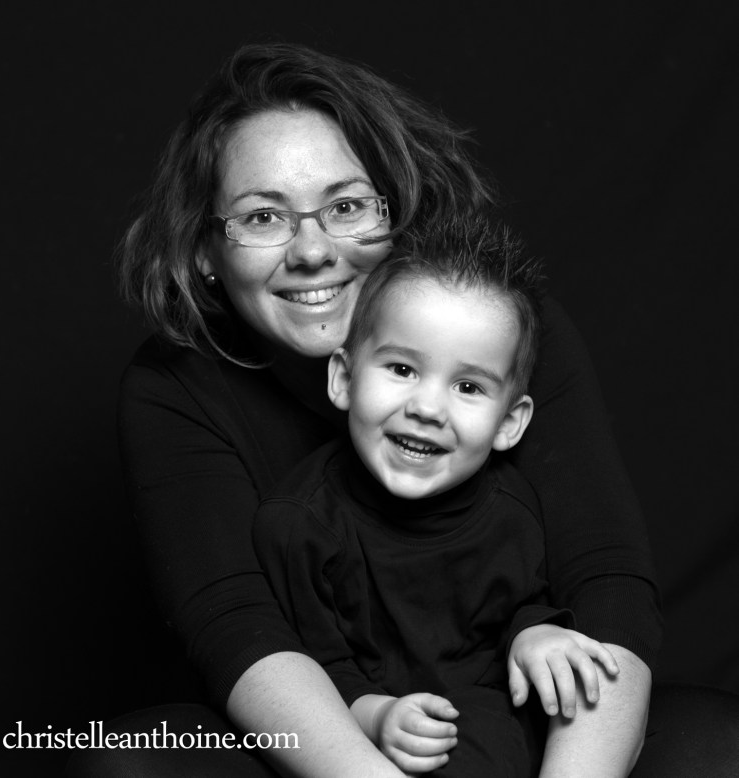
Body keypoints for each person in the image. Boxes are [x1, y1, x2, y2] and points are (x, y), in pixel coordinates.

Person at [66, 41, 739, 778]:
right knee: (131, 759)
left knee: (715, 742)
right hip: (319, 742)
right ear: (204, 250)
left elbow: (606, 578)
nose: (313, 251)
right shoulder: (177, 385)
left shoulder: (504, 329)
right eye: (263, 218)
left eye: (347, 206)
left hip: (507, 723)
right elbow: (238, 630)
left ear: (395, 212)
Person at [253, 228, 622, 777]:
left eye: (468, 387)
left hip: (485, 730)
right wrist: (374, 716)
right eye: (402, 369)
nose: (427, 407)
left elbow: (522, 599)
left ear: (510, 423)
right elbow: (309, 666)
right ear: (344, 378)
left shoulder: (511, 509)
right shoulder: (298, 523)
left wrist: (536, 633)